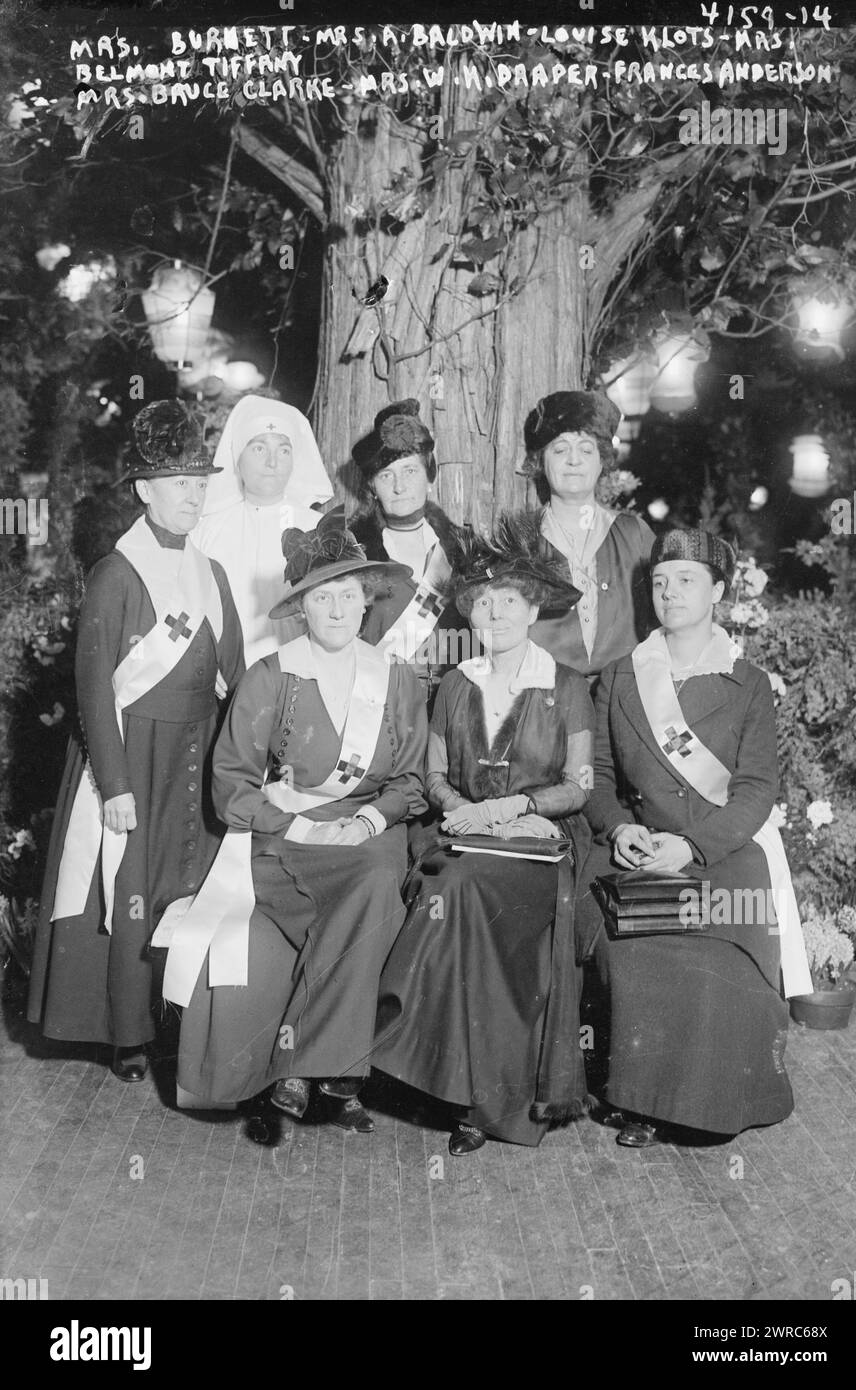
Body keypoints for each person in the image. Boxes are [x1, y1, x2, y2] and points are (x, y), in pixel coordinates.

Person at [155, 513, 428, 1131]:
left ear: (367, 603)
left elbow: (409, 785)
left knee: (376, 882)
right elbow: (230, 787)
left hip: (366, 834)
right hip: (283, 838)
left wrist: (362, 825)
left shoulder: (399, 680)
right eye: (321, 596)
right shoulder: (269, 677)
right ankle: (335, 1071)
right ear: (302, 607)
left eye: (348, 595)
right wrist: (302, 829)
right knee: (363, 908)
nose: (335, 609)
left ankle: (297, 1066)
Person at [28, 401, 245, 1082]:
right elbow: (93, 687)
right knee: (129, 886)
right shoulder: (115, 575)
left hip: (195, 750)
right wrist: (114, 785)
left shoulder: (212, 574)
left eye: (199, 482)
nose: (192, 495)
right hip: (131, 752)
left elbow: (233, 672)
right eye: (177, 482)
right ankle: (125, 1032)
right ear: (145, 492)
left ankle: (177, 1017)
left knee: (187, 882)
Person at [583, 528, 812, 1147]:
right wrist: (621, 826)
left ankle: (704, 1100)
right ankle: (639, 1097)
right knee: (639, 941)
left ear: (717, 592)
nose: (669, 592)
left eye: (685, 580)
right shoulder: (621, 678)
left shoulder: (749, 682)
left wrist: (695, 847)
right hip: (641, 843)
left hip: (724, 848)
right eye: (659, 582)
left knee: (711, 947)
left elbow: (757, 790)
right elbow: (599, 780)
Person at [373, 518, 594, 1154]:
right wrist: (458, 808)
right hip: (460, 838)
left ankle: (447, 1077)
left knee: (465, 894)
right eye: (482, 602)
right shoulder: (455, 684)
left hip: (541, 845)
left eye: (509, 602)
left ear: (533, 611)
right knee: (462, 888)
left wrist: (513, 808)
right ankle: (466, 1091)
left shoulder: (566, 686)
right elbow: (433, 775)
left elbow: (579, 785)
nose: (494, 612)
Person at [521, 390, 656, 689]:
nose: (573, 461)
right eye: (560, 450)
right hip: (543, 707)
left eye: (586, 449)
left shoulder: (634, 534)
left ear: (602, 462)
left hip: (623, 703)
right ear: (541, 461)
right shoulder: (521, 539)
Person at [192, 395, 334, 665]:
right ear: (237, 457)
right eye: (259, 448)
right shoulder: (206, 530)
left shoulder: (317, 529)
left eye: (283, 450)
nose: (272, 462)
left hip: (297, 675)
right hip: (220, 676)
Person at [349, 399, 468, 707]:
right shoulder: (352, 553)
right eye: (386, 475)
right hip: (382, 706)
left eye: (410, 471)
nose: (399, 486)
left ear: (430, 477)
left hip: (452, 705)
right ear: (373, 486)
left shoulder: (464, 550)